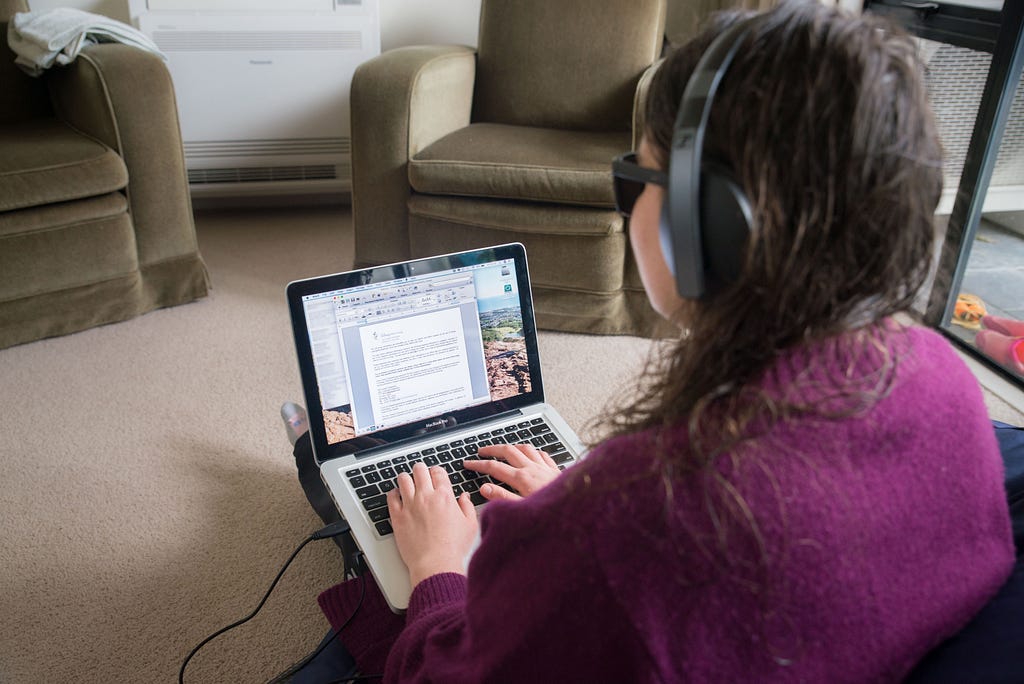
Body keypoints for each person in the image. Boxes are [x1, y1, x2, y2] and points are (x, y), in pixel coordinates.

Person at [296, 3, 1015, 681]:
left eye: (632, 177)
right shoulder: (942, 375)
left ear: (707, 226)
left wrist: (439, 572)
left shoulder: (631, 522)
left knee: (331, 470)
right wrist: (567, 503)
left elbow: (443, 671)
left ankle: (315, 451)